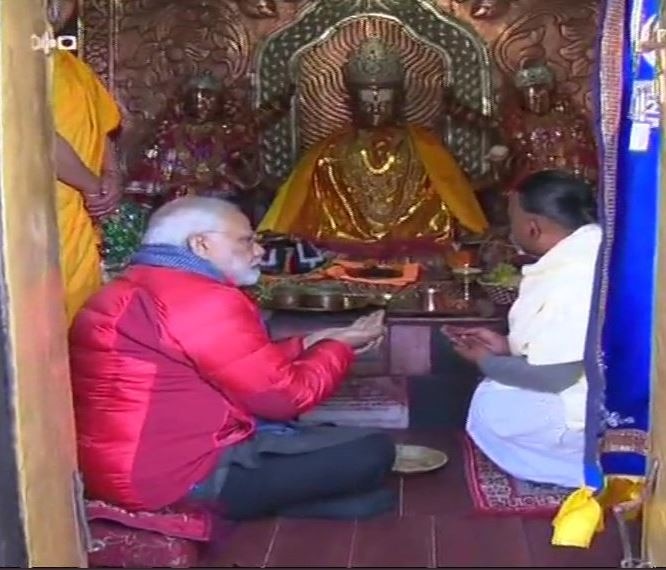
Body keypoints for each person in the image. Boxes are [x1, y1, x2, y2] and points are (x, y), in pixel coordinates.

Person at [69, 196, 397, 520]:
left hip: (124, 471)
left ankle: (298, 503)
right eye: (246, 240)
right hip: (173, 481)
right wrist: (340, 348)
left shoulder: (139, 283)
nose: (259, 251)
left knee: (329, 443)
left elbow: (230, 364)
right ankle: (235, 507)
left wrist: (311, 342)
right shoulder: (200, 299)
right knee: (372, 450)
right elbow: (286, 398)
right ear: (201, 244)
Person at [258, 37, 488, 257]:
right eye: (367, 98)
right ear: (351, 100)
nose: (376, 106)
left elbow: (456, 202)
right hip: (340, 250)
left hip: (416, 249)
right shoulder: (327, 152)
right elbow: (303, 213)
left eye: (384, 96)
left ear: (399, 99)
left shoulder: (426, 148)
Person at [442, 169, 600, 488]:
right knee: (498, 389)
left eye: (512, 219)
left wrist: (485, 361)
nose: (508, 228)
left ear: (533, 227)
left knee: (494, 406)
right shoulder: (581, 255)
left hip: (603, 405)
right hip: (593, 385)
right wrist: (505, 346)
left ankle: (592, 470)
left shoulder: (576, 276)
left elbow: (554, 376)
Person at [49, 0, 123, 324]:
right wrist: (91, 185)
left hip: (81, 213)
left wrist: (112, 175)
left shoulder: (71, 65)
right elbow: (35, 137)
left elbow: (102, 126)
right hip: (42, 214)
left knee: (79, 323)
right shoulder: (16, 65)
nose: (52, 6)